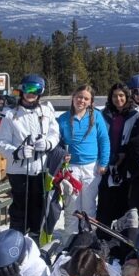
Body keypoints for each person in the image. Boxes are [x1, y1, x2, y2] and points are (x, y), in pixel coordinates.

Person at [0, 74, 60, 240]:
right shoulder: (11, 114)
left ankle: (36, 239)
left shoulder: (46, 111)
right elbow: (1, 142)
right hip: (19, 171)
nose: (31, 93)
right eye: (27, 89)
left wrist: (48, 144)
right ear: (21, 90)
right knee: (20, 208)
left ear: (41, 92)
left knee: (39, 206)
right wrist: (17, 152)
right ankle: (16, 240)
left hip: (41, 168)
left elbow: (55, 133)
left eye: (35, 90)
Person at [58, 85, 111, 234]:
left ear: (91, 101)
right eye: (79, 97)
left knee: (89, 207)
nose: (82, 100)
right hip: (71, 168)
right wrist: (62, 154)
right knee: (72, 207)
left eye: (86, 98)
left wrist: (103, 163)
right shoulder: (63, 118)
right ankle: (70, 239)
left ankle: (89, 238)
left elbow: (104, 140)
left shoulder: (97, 116)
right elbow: (57, 143)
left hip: (91, 167)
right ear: (73, 97)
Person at [98, 83, 139, 230]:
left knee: (124, 200)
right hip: (107, 161)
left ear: (127, 96)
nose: (118, 99)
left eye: (121, 95)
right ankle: (103, 233)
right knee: (106, 199)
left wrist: (125, 153)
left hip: (126, 162)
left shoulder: (136, 114)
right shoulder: (103, 114)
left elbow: (137, 139)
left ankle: (124, 233)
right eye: (115, 96)